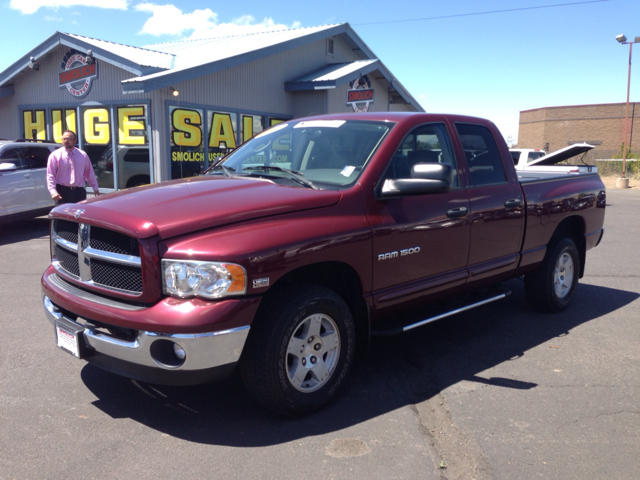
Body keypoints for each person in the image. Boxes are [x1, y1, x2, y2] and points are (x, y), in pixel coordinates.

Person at [47, 130, 100, 204]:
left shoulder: (82, 155)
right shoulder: (55, 155)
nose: (66, 141)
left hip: (79, 192)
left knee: (80, 214)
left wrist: (95, 187)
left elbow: (89, 173)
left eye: (69, 139)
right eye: (64, 139)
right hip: (62, 191)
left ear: (75, 141)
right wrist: (53, 191)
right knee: (63, 215)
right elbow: (50, 175)